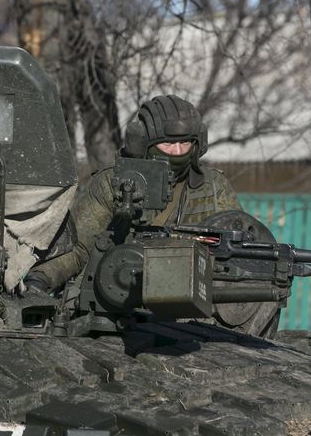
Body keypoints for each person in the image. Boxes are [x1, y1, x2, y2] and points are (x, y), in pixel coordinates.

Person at [25, 94, 241, 292]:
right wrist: (41, 280)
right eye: (168, 144)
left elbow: (235, 252)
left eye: (184, 143)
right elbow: (77, 250)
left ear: (197, 144)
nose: (177, 152)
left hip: (189, 305)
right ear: (143, 145)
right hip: (116, 298)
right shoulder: (114, 183)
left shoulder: (213, 188)